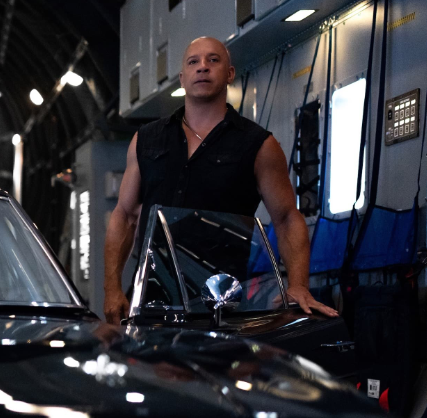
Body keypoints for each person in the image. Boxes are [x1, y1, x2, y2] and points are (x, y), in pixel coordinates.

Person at [102, 36, 338, 325]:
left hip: (223, 304)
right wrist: (112, 289)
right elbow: (125, 216)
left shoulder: (258, 144)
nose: (202, 67)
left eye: (213, 60)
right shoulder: (146, 139)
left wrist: (298, 285)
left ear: (229, 73)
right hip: (150, 301)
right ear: (182, 78)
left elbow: (288, 217)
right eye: (193, 62)